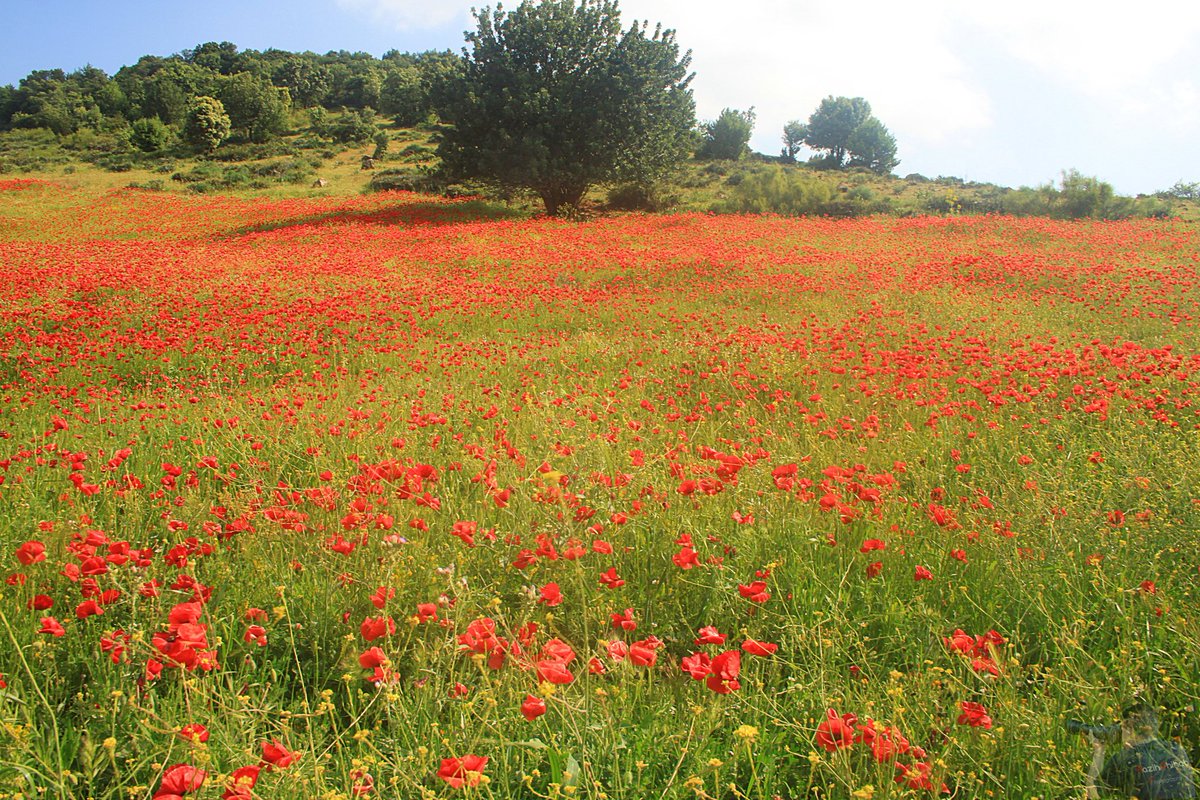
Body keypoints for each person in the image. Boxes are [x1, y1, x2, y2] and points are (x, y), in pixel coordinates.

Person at [1085, 703, 1195, 799]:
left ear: (1129, 727)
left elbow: (1094, 794)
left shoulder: (1126, 758)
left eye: (1122, 727)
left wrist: (1099, 752)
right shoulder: (1176, 749)